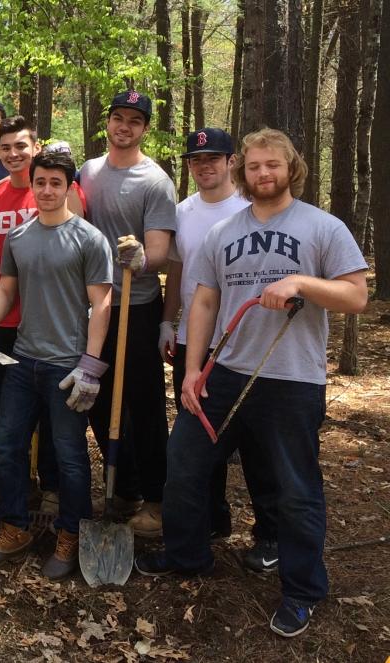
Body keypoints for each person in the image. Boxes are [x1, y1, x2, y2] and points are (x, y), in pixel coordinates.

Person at [135, 128, 368, 639]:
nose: (264, 174)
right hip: (226, 371)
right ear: (244, 171)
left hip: (293, 379)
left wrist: (302, 283)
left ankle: (303, 590)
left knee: (294, 488)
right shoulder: (222, 234)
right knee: (186, 463)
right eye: (256, 166)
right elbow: (203, 302)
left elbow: (355, 296)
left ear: (291, 169)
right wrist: (195, 370)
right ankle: (187, 556)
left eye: (274, 166)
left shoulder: (322, 227)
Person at [0, 149, 113, 579]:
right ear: (33, 184)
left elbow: (102, 303)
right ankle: (14, 528)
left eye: (56, 184)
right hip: (22, 361)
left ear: (69, 188)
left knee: (69, 456)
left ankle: (71, 535)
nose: (47, 190)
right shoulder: (20, 237)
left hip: (67, 368)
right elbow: (7, 289)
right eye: (41, 182)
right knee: (8, 447)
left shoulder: (88, 239)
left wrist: (91, 365)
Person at [0, 118, 87, 512]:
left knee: (56, 423)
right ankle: (15, 496)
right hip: (4, 326)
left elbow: (79, 256)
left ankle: (54, 490)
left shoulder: (66, 197)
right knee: (4, 417)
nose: (12, 154)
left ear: (36, 147)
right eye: (5, 148)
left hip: (53, 328)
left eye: (20, 146)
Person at [77, 90, 176, 532]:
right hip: (93, 303)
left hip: (135, 306)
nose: (124, 126)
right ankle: (125, 487)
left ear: (144, 128)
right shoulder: (89, 171)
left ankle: (157, 499)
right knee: (94, 394)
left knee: (144, 403)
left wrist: (142, 259)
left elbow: (159, 252)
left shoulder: (155, 181)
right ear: (108, 122)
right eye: (118, 118)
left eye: (134, 121)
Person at [160, 128, 255, 544]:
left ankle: (265, 529)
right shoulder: (182, 212)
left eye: (213, 158)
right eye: (197, 160)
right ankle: (209, 518)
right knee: (195, 432)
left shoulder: (249, 210)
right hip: (192, 342)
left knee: (248, 436)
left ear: (232, 161)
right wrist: (169, 321)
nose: (205, 166)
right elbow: (179, 270)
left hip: (241, 342)